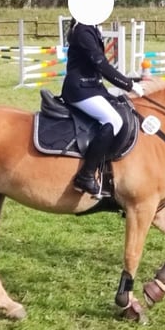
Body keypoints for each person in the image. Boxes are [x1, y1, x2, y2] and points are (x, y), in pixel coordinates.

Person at [61, 16, 145, 197]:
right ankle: (86, 175)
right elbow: (101, 64)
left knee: (121, 107)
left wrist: (131, 81)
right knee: (113, 120)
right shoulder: (83, 30)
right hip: (79, 90)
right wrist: (128, 85)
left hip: (92, 87)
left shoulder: (89, 28)